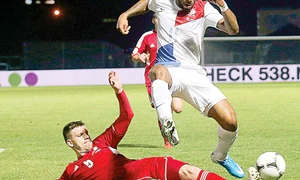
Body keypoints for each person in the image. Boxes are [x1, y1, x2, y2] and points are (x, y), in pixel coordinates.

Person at [116, 0, 244, 178]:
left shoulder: (204, 7)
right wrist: (125, 14)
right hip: (169, 69)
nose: (189, 1)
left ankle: (220, 156)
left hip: (195, 74)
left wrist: (223, 6)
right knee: (157, 71)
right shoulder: (162, 2)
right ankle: (167, 122)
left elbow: (233, 29)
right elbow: (146, 3)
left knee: (230, 121)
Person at [58, 71, 226, 180]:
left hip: (143, 168)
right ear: (70, 142)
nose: (86, 135)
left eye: (86, 132)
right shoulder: (72, 171)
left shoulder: (102, 143)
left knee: (188, 172)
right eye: (80, 135)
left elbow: (127, 116)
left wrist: (119, 91)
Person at [131, 13, 183, 149]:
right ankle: (167, 140)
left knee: (177, 108)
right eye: (158, 18)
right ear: (154, 20)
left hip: (173, 76)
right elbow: (135, 55)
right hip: (154, 79)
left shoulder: (173, 34)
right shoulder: (147, 36)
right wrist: (139, 56)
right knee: (162, 108)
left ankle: (168, 120)